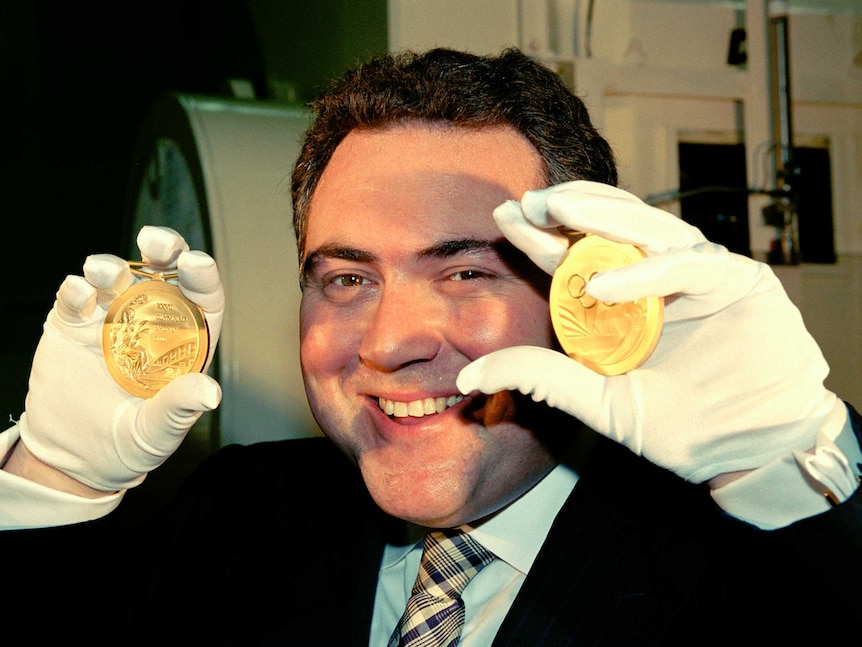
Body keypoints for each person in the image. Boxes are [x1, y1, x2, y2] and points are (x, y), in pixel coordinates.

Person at [1, 47, 861, 645]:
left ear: (588, 290)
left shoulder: (744, 561)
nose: (389, 342)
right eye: (347, 278)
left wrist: (792, 466)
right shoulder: (231, 522)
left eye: (464, 273)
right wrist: (50, 481)